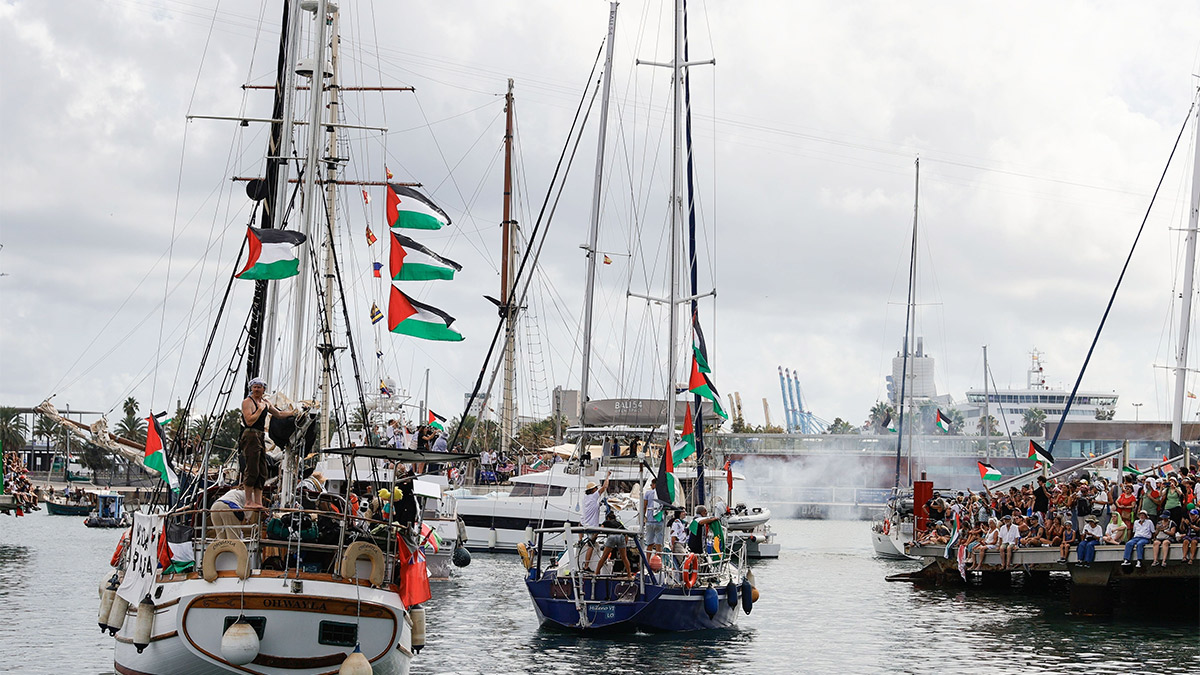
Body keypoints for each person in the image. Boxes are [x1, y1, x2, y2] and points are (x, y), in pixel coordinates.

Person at [240, 377, 294, 509]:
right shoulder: (248, 402)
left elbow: (279, 414)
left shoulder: (265, 402)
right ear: (251, 388)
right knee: (252, 468)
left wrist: (293, 413)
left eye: (259, 387)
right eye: (255, 387)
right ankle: (248, 502)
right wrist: (259, 410)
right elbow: (249, 421)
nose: (257, 389)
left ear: (264, 389)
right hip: (250, 434)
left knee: (262, 470)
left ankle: (257, 502)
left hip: (260, 436)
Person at [579, 475, 610, 573]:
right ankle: (586, 566)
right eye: (596, 488)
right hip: (592, 526)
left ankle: (580, 540)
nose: (597, 489)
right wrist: (607, 476)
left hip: (585, 524)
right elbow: (604, 487)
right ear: (593, 490)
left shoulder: (586, 498)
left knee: (590, 543)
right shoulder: (593, 496)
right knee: (590, 545)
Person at [593, 510, 633, 578]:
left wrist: (594, 538)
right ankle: (629, 575)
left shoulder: (606, 522)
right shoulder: (619, 523)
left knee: (604, 557)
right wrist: (624, 545)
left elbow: (599, 530)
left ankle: (596, 573)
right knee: (624, 558)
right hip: (621, 536)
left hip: (612, 537)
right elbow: (626, 535)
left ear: (608, 518)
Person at [642, 478, 665, 554]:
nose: (651, 486)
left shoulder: (648, 493)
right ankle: (659, 561)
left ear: (654, 485)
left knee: (649, 543)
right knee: (659, 544)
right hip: (659, 520)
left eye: (651, 484)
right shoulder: (662, 493)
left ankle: (647, 561)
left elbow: (644, 506)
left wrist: (643, 518)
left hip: (650, 520)